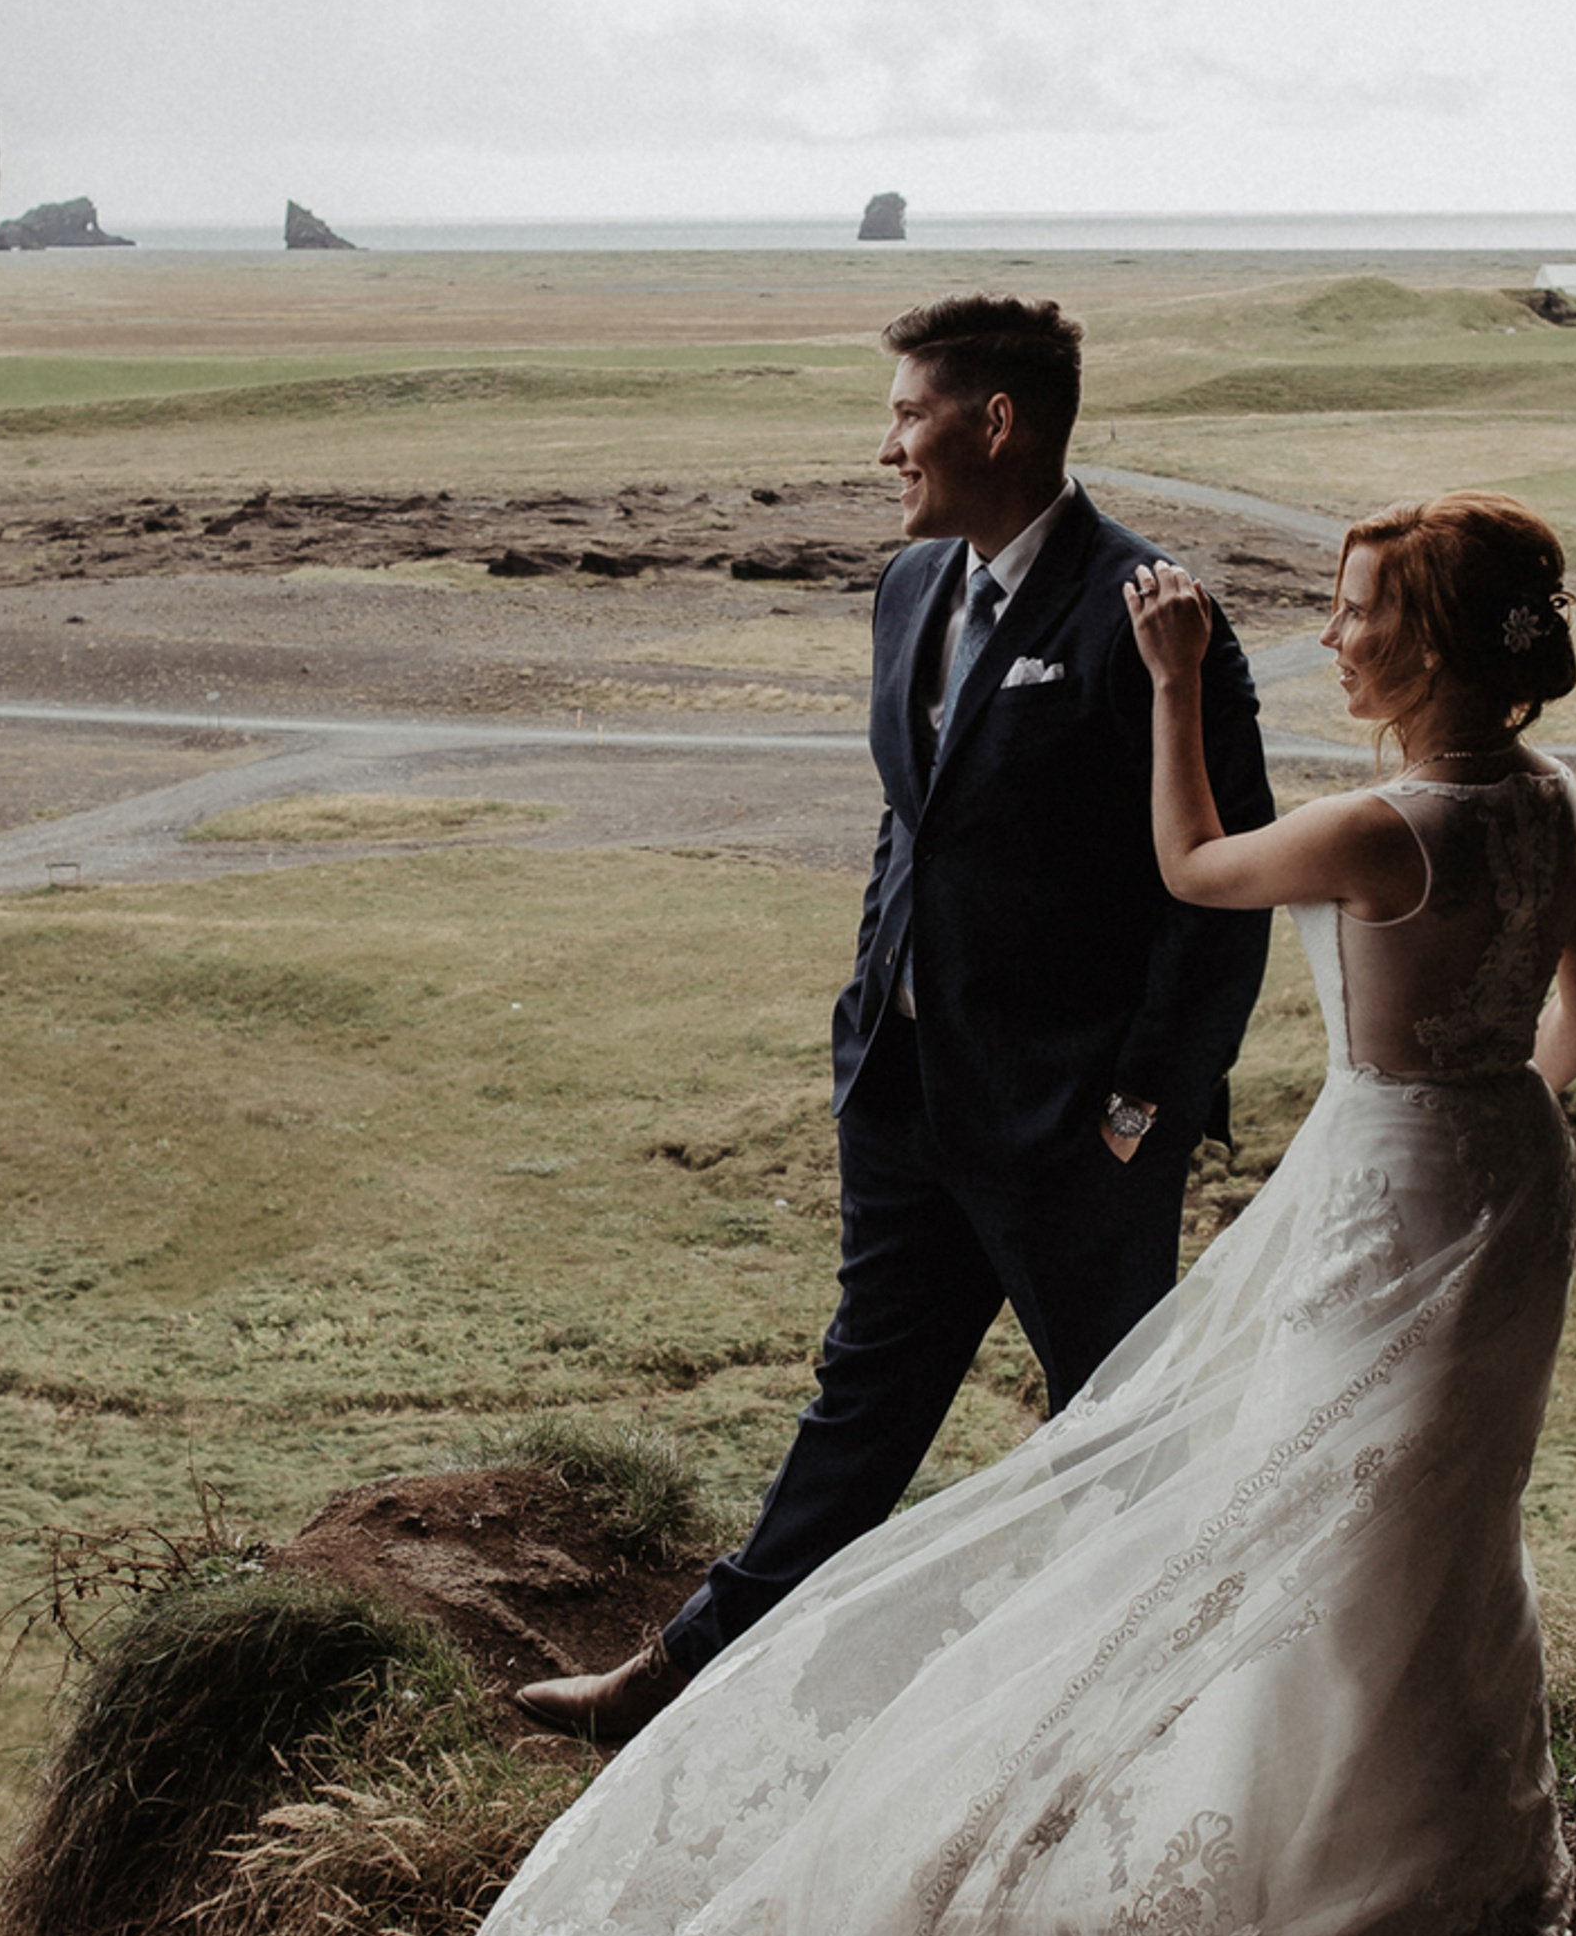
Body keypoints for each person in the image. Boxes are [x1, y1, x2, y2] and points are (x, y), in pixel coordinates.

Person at [430, 491, 1576, 1936]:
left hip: (1390, 1190)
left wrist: (1171, 683)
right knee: (1433, 1520)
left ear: (1425, 643)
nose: (1331, 636)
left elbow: (1192, 866)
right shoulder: (1550, 802)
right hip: (1501, 1180)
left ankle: (1327, 1876)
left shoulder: (1381, 829)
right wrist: (1488, 1126)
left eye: (1356, 612)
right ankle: (1438, 1864)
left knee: (1314, 1521)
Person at [514, 293, 1274, 1746]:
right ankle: (681, 1682)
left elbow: (1224, 886)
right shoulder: (911, 585)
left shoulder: (1149, 612)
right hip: (906, 1095)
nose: (887, 450)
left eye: (909, 416)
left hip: (1073, 1133)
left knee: (1119, 1437)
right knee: (861, 1405)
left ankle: (1177, 1730)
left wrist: (1144, 1110)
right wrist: (873, 1001)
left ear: (997, 423)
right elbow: (913, 821)